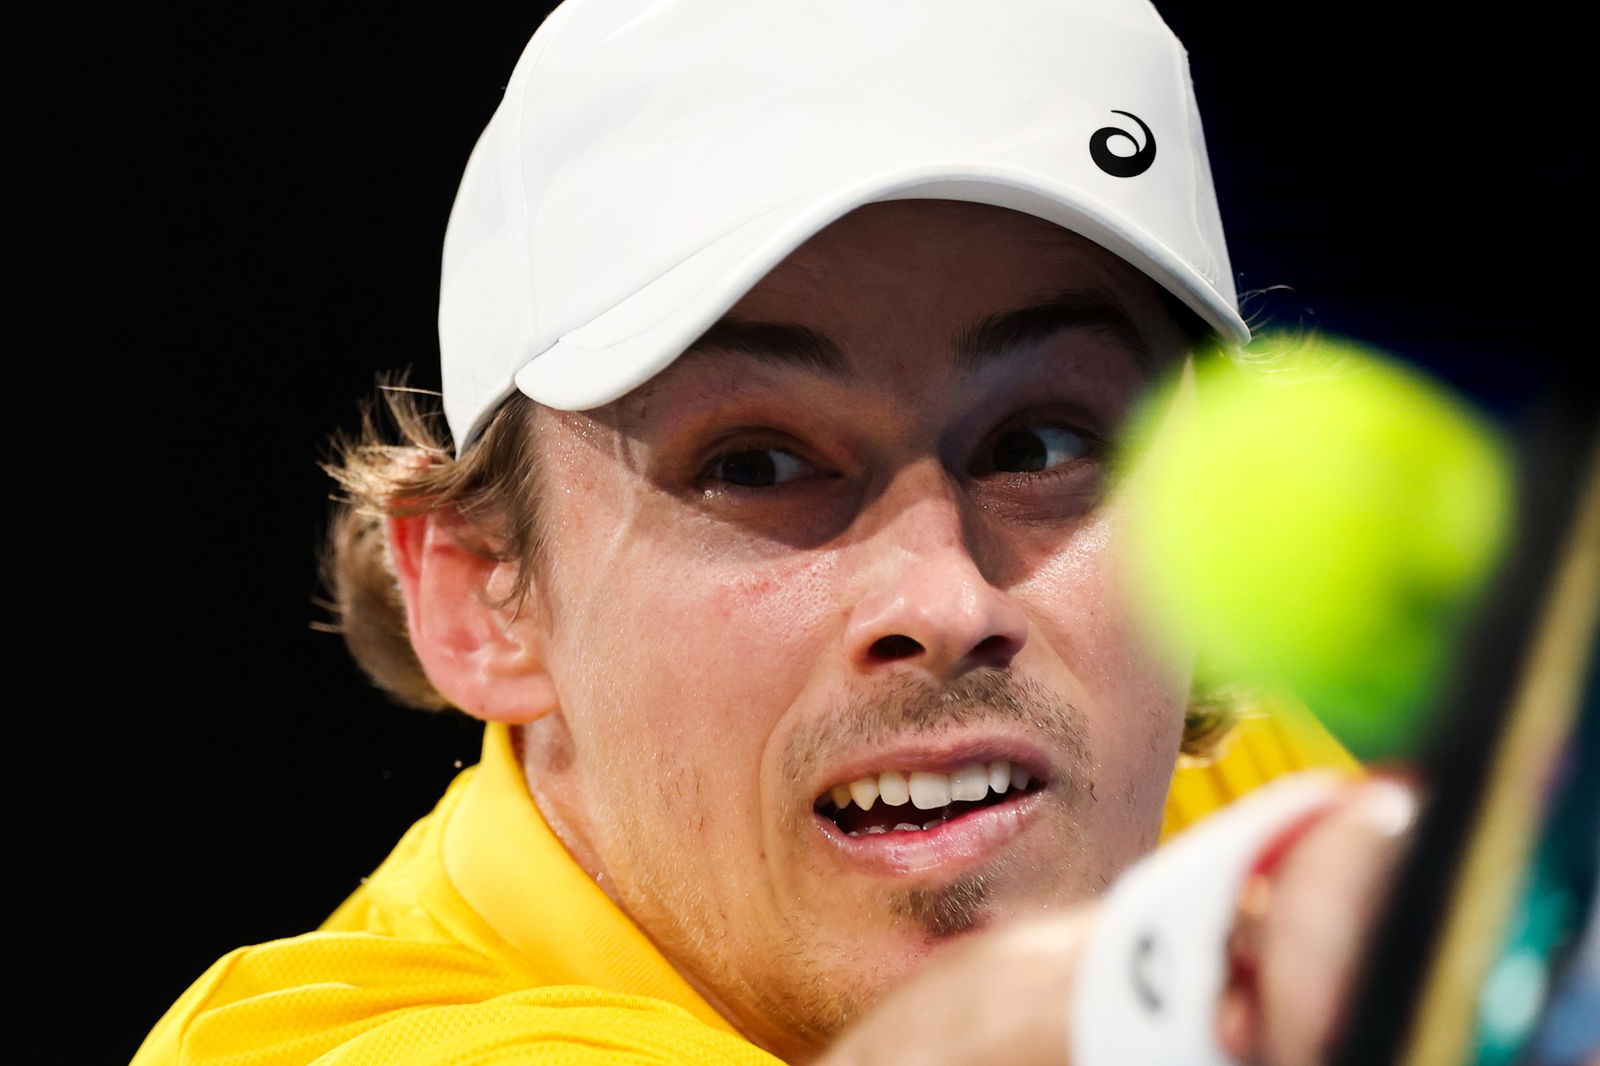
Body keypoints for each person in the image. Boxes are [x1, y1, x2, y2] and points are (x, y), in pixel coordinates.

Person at [134, 1, 1402, 1063]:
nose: (947, 600)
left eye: (1042, 445)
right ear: (477, 595)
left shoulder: (1224, 780)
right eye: (757, 464)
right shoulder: (317, 1045)